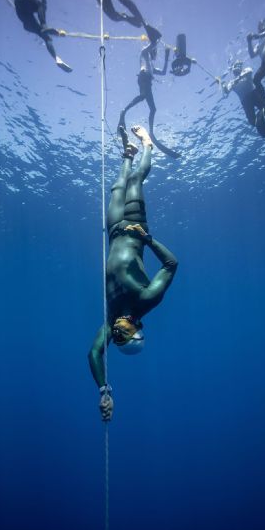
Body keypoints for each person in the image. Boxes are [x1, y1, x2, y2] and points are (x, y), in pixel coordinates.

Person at [88, 125, 178, 421]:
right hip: (137, 230)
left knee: (117, 186)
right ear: (138, 330)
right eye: (125, 334)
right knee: (136, 179)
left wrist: (104, 391)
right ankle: (148, 145)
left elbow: (94, 353)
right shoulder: (146, 299)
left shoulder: (111, 316)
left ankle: (128, 152)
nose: (117, 331)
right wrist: (148, 239)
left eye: (118, 337)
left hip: (114, 230)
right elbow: (171, 265)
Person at [117, 30, 180, 158]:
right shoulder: (144, 53)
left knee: (153, 108)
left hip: (146, 81)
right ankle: (123, 111)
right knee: (143, 97)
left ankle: (151, 133)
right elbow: (152, 44)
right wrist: (156, 40)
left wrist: (167, 55)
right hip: (143, 77)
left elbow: (162, 72)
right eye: (155, 52)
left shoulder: (151, 64)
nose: (155, 54)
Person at [14, 0, 72, 72]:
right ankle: (44, 26)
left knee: (46, 37)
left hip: (25, 19)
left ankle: (56, 58)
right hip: (22, 0)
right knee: (41, 4)